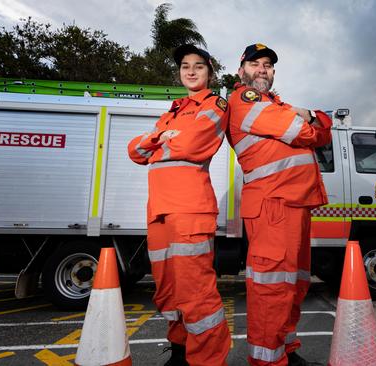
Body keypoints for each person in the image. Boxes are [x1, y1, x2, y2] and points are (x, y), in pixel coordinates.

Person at [227, 43, 332, 366]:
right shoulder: (243, 100)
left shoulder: (275, 104)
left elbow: (323, 132)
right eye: (255, 64)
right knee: (272, 290)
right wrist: (306, 117)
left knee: (295, 284)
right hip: (273, 204)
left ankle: (286, 349)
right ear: (241, 70)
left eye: (268, 65)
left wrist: (313, 117)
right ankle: (267, 361)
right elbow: (304, 132)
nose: (263, 69)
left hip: (294, 204)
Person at [128, 44, 231, 366]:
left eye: (198, 66)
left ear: (209, 73)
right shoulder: (172, 112)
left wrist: (156, 141)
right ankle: (181, 352)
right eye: (185, 66)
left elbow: (191, 142)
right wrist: (160, 138)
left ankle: (208, 361)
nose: (190, 71)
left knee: (196, 294)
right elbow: (134, 153)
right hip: (159, 211)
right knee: (168, 292)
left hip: (190, 210)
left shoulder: (215, 105)